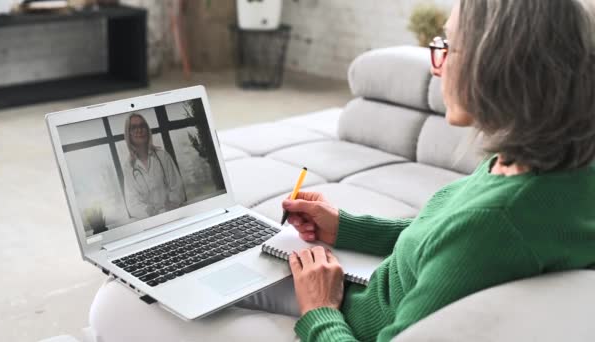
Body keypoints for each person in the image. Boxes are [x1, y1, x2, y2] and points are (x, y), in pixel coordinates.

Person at [90, 1, 595, 341]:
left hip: (341, 325)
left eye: (445, 47)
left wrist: (319, 311)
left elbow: (465, 239)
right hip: (353, 291)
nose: (435, 64)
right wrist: (347, 227)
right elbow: (444, 240)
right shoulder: (549, 170)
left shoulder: (493, 226)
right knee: (194, 275)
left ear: (497, 66)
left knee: (114, 304)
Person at [123, 113, 186, 219]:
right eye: (134, 127)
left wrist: (172, 202)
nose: (139, 130)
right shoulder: (128, 166)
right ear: (128, 134)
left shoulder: (163, 156)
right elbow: (132, 204)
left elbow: (177, 188)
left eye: (142, 126)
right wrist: (147, 211)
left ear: (147, 130)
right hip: (151, 220)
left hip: (172, 215)